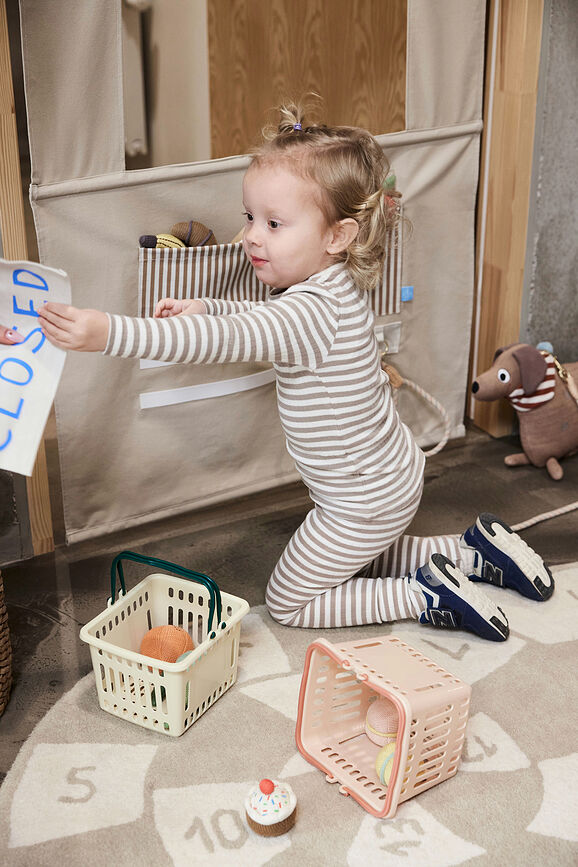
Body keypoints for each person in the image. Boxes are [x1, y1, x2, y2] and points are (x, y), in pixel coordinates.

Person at [38, 102, 554, 640]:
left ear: (337, 236)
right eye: (250, 218)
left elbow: (225, 340)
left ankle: (425, 595)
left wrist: (105, 332)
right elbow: (262, 322)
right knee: (363, 559)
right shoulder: (335, 286)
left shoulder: (306, 311)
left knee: (290, 601)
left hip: (361, 499)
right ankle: (472, 553)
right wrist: (210, 306)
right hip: (385, 479)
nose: (254, 237)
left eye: (275, 224)